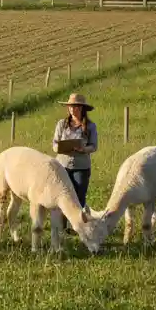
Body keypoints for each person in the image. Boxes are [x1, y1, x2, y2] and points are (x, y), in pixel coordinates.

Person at [52, 93, 99, 232]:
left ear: (82, 108)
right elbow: (54, 143)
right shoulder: (62, 124)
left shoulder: (90, 126)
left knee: (79, 196)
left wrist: (83, 149)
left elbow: (94, 146)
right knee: (63, 195)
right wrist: (60, 148)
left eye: (76, 107)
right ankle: (62, 226)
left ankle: (77, 225)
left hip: (81, 166)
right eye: (70, 107)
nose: (72, 110)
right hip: (62, 165)